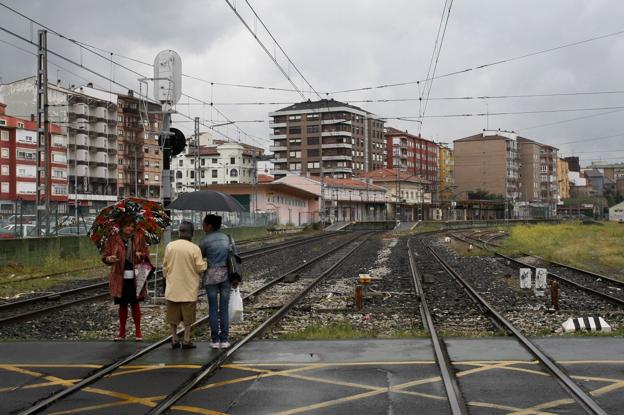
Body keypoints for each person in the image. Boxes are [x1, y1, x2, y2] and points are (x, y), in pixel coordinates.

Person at [102, 217, 150, 341]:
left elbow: (146, 254)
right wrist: (109, 259)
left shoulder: (139, 237)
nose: (129, 228)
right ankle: (121, 332)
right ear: (121, 226)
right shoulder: (113, 239)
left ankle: (138, 332)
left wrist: (141, 255)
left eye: (132, 225)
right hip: (119, 275)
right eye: (127, 225)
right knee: (122, 304)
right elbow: (105, 256)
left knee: (135, 303)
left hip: (136, 274)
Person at [162, 221, 207, 349]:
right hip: (188, 288)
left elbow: (165, 266)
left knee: (172, 317)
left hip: (173, 287)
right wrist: (206, 263)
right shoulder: (194, 248)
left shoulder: (170, 246)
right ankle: (186, 339)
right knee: (188, 319)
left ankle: (174, 339)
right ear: (191, 233)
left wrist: (166, 278)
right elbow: (199, 267)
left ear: (179, 232)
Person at [200, 214, 240, 349]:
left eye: (204, 223)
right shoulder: (229, 239)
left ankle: (215, 340)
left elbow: (201, 256)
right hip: (226, 276)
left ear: (209, 226)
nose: (203, 226)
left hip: (211, 276)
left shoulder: (205, 240)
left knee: (212, 308)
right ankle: (224, 340)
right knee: (223, 308)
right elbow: (235, 255)